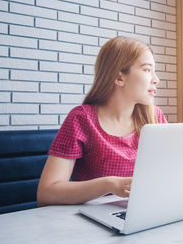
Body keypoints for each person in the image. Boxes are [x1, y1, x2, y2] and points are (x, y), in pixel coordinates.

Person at [37, 36, 167, 206]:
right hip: (91, 220)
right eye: (147, 69)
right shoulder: (81, 119)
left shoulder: (155, 117)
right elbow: (46, 193)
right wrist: (109, 184)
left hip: (145, 209)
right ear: (119, 77)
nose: (156, 79)